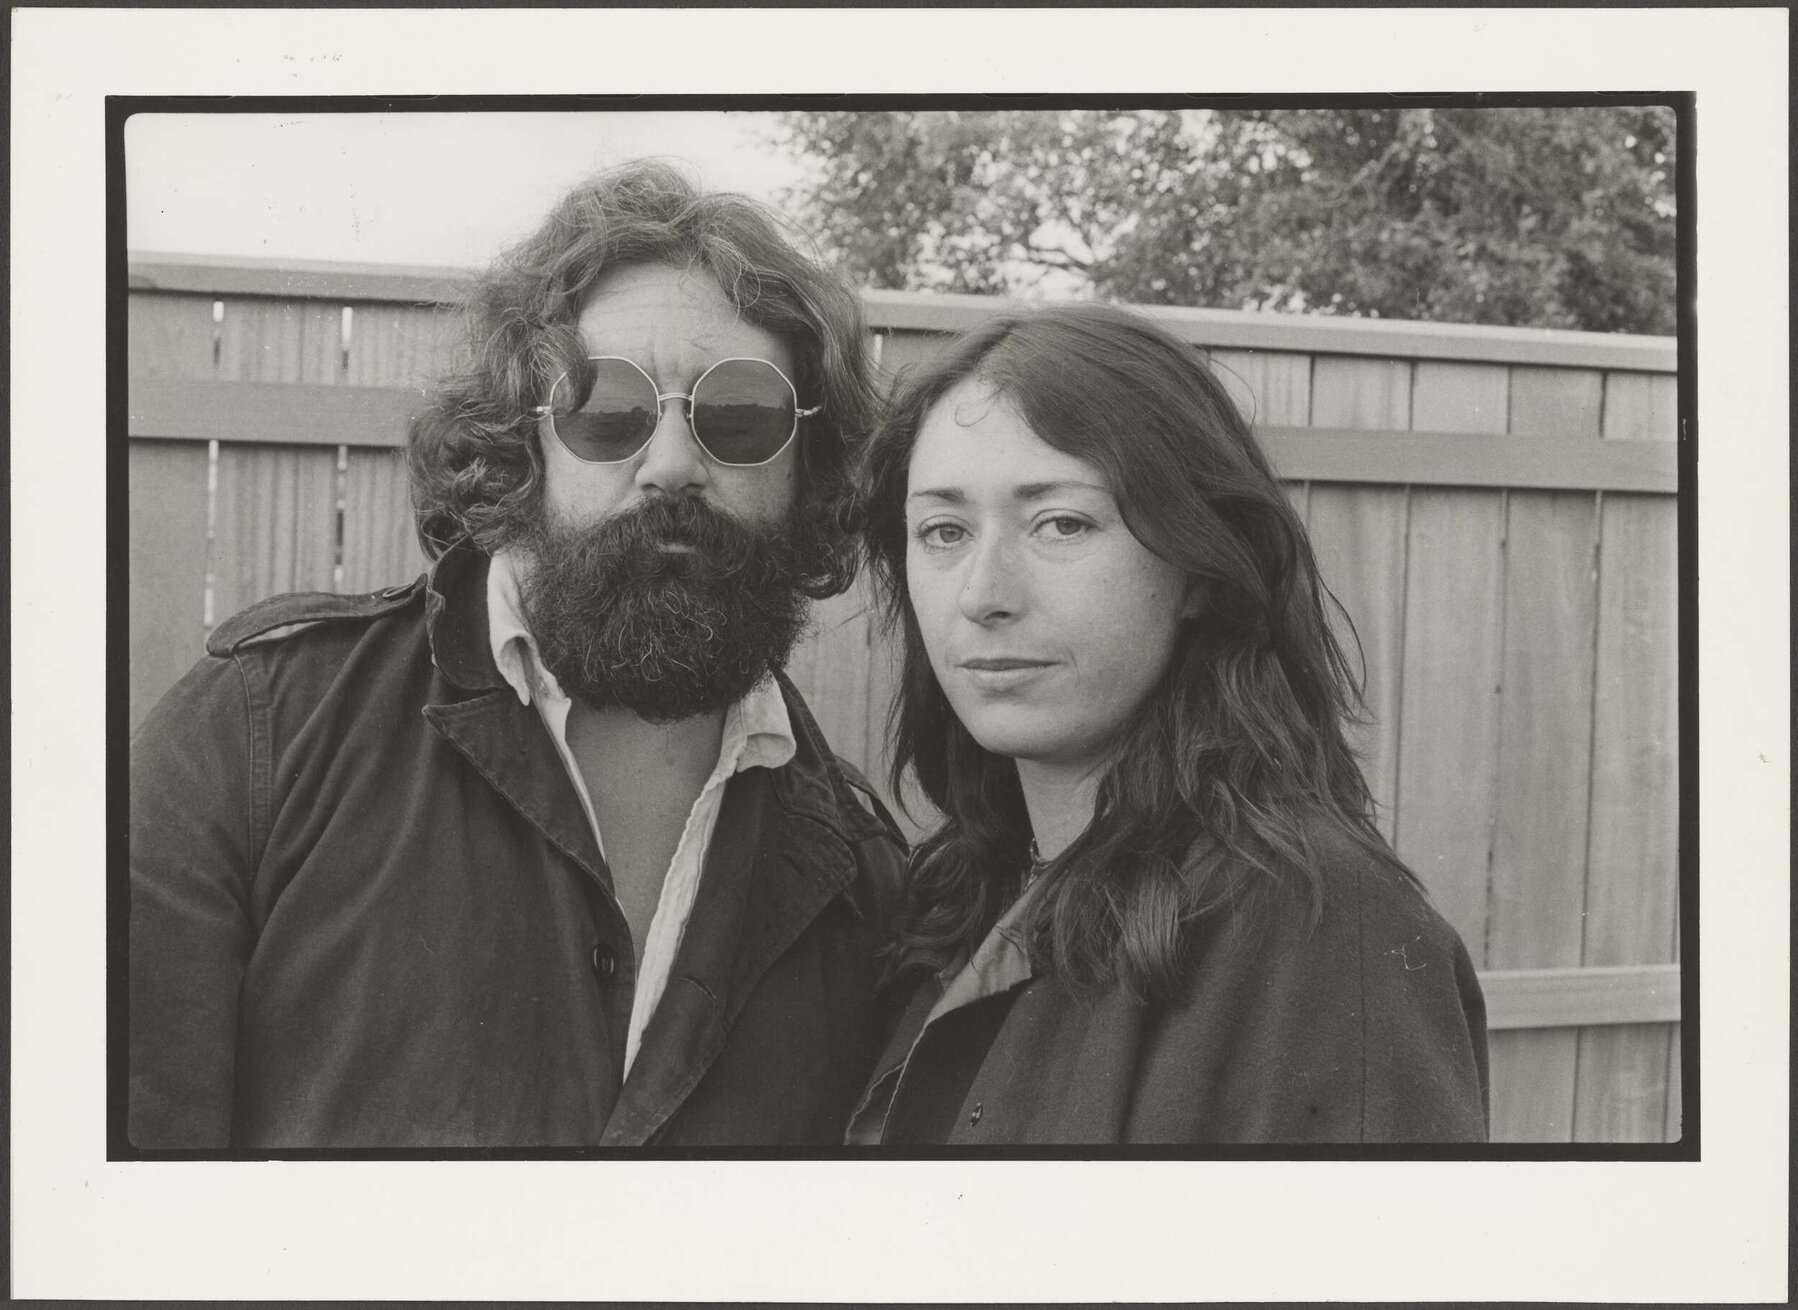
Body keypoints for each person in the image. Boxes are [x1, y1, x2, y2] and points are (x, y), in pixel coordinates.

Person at [129, 161, 905, 1149]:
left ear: (808, 469)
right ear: (517, 444)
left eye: (739, 415)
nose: (670, 466)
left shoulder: (861, 880)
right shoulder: (259, 740)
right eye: (607, 409)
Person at [847, 304, 1489, 1144]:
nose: (981, 593)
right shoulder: (957, 905)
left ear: (1196, 566)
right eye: (943, 531)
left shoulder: (1325, 937)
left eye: (1062, 523)